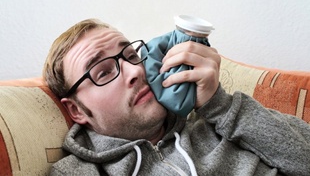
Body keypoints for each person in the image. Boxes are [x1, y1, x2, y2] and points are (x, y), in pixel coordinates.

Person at [43, 18, 310, 176]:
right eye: (103, 72)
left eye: (132, 56)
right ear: (76, 110)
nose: (135, 70)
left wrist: (221, 107)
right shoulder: (76, 171)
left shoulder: (221, 117)